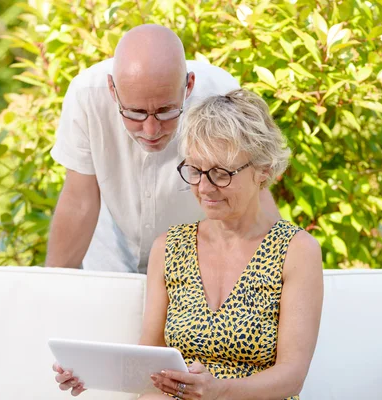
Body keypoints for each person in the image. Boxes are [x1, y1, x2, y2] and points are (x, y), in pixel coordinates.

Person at [54, 89, 324, 399]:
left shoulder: (296, 250)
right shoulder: (169, 247)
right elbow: (149, 361)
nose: (204, 187)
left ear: (263, 171)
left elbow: (292, 377)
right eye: (195, 171)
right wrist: (91, 374)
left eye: (220, 173)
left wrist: (220, 391)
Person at [47, 24, 279, 273]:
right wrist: (52, 288)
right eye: (135, 113)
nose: (151, 130)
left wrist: (278, 266)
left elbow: (250, 193)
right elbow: (79, 202)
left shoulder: (219, 92)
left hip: (193, 264)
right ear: (113, 90)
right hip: (109, 258)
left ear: (189, 86)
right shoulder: (86, 95)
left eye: (165, 111)